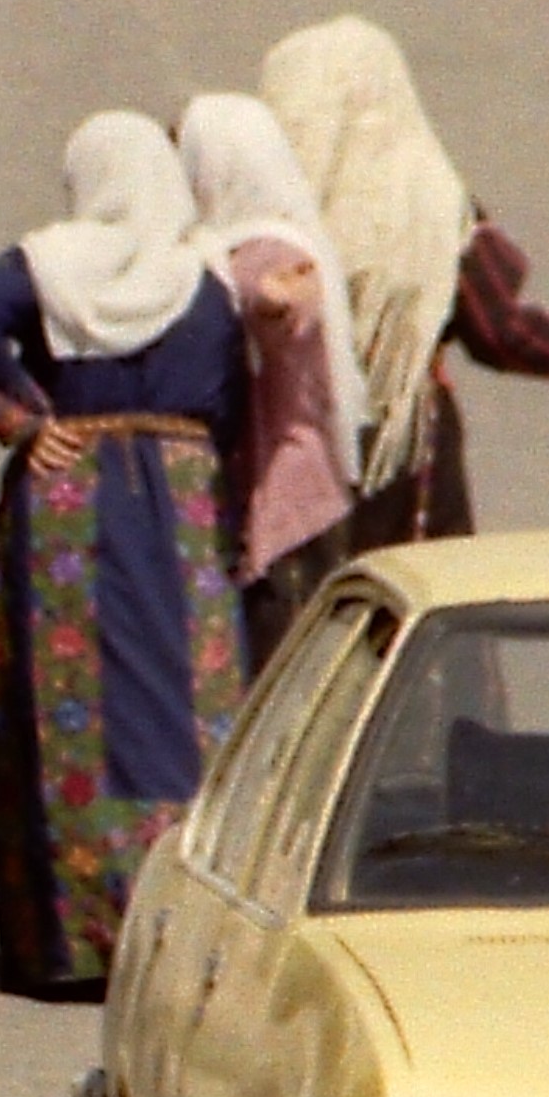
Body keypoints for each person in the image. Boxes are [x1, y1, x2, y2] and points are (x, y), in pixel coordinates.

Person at [0, 111, 246, 996]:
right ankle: (179, 933)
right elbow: (232, 399)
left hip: (70, 504)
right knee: (186, 701)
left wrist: (24, 419)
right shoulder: (205, 277)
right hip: (180, 509)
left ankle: (69, 937)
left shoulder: (52, 264)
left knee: (64, 701)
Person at [258, 15, 549, 549]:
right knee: (405, 578)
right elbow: (497, 328)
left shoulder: (257, 206)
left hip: (281, 431)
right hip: (398, 439)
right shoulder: (430, 212)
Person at [175, 93, 363, 672]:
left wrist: (270, 300)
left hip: (280, 491)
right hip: (312, 481)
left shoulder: (262, 248)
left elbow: (274, 301)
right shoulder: (286, 238)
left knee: (282, 671)